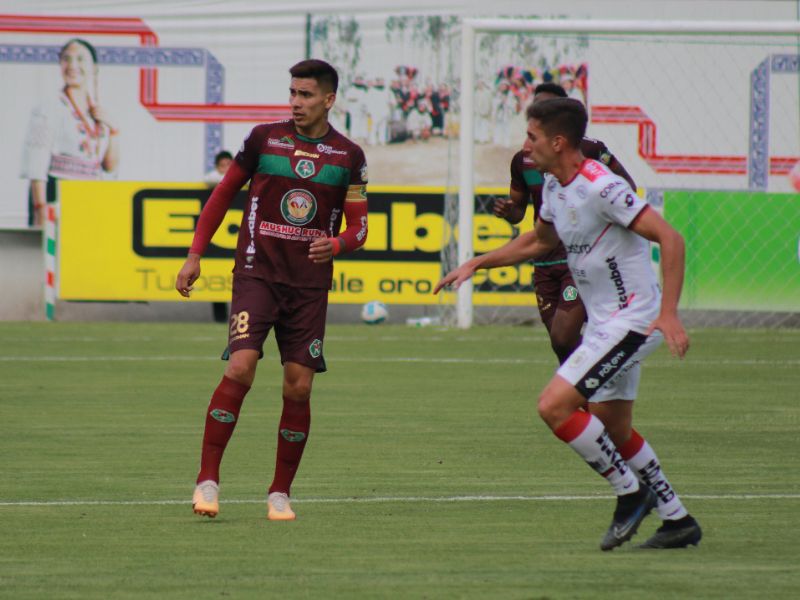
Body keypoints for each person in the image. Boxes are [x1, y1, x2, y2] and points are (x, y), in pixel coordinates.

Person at [435, 98, 701, 551]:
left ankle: (631, 493)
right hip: (604, 324)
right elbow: (538, 242)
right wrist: (477, 262)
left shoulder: (602, 186)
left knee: (553, 406)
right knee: (614, 428)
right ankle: (677, 519)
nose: (525, 146)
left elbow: (670, 238)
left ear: (558, 142)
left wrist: (669, 312)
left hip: (632, 321)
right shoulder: (555, 187)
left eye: (532, 137)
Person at [176, 59, 369, 521]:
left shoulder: (348, 156)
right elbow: (223, 194)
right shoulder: (264, 139)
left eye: (306, 95)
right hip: (256, 273)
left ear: (329, 99)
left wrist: (337, 244)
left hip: (308, 287)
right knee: (241, 366)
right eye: (292, 93)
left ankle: (280, 493)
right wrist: (195, 254)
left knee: (299, 386)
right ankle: (207, 481)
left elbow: (360, 228)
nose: (296, 102)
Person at [494, 83, 637, 364]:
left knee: (563, 336)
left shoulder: (591, 151)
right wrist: (509, 211)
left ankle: (607, 369)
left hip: (579, 258)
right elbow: (519, 212)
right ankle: (596, 384)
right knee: (562, 346)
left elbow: (626, 187)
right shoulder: (524, 161)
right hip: (544, 262)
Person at [20, 38, 120, 227]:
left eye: (80, 59)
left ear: (94, 68)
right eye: (66, 59)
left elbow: (109, 167)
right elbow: (36, 163)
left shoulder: (97, 111)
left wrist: (114, 130)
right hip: (57, 194)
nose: (73, 65)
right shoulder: (48, 108)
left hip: (89, 196)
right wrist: (41, 208)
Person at [202, 150, 235, 324]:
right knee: (216, 272)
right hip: (217, 235)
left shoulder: (242, 177)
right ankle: (220, 318)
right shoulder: (213, 179)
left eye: (229, 165)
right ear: (217, 167)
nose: (226, 169)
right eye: (222, 166)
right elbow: (209, 179)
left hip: (236, 236)